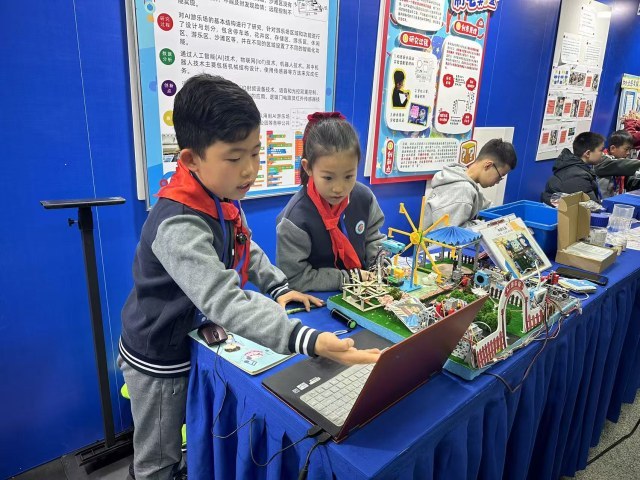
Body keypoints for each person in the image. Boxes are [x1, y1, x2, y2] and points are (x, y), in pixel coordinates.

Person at [118, 76, 380, 480]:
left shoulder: (219, 195)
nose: (250, 169)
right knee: (158, 456)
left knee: (191, 435)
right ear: (191, 159)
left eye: (256, 152)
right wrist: (305, 339)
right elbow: (224, 299)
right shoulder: (179, 222)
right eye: (235, 157)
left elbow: (245, 245)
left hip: (195, 341)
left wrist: (278, 285)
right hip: (159, 356)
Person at [276, 112, 386, 292]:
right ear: (308, 167)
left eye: (348, 176)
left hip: (364, 289)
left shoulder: (364, 198)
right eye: (328, 177)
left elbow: (373, 238)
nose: (339, 188)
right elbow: (295, 278)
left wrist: (380, 265)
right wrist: (349, 278)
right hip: (319, 300)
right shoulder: (295, 219)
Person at [422, 139, 518, 228]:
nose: (497, 182)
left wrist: (503, 216)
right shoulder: (462, 190)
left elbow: (485, 206)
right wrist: (485, 224)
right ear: (488, 165)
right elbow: (452, 233)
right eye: (500, 176)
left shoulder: (462, 177)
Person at [541, 132, 605, 205]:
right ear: (587, 153)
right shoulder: (577, 177)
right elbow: (591, 208)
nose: (602, 154)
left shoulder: (577, 168)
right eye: (601, 150)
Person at [595, 130, 640, 198]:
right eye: (626, 149)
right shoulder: (602, 160)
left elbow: (630, 180)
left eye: (630, 150)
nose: (628, 153)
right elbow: (619, 164)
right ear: (613, 148)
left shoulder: (621, 165)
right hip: (601, 201)